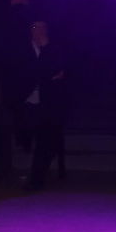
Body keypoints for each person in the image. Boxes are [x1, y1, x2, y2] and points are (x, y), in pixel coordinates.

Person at [7, 19, 69, 191]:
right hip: (27, 103)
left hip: (47, 104)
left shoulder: (54, 49)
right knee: (33, 137)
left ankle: (37, 178)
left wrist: (46, 49)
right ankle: (35, 175)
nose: (39, 31)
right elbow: (26, 74)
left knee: (46, 139)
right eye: (35, 27)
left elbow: (56, 71)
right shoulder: (22, 51)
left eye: (42, 28)